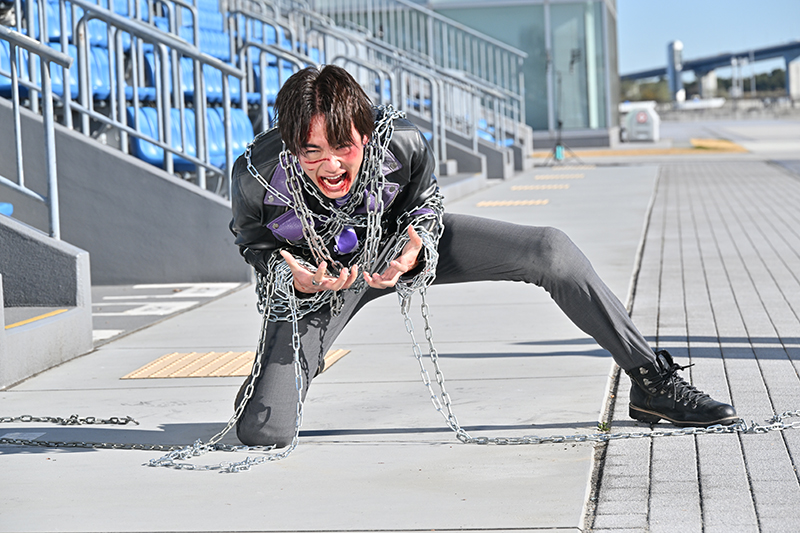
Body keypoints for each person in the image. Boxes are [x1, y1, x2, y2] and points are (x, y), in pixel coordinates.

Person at [229, 65, 737, 447]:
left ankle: (651, 380)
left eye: (343, 145)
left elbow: (426, 203)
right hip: (322, 277)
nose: (330, 164)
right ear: (290, 143)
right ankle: (274, 383)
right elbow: (252, 241)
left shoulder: (401, 141)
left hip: (395, 246)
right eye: (310, 151)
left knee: (550, 249)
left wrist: (417, 243)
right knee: (264, 429)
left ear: (366, 130)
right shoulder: (255, 174)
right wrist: (285, 271)